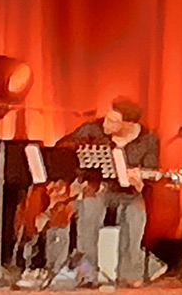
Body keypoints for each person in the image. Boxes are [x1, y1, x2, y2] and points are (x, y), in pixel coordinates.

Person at [57, 97, 159, 285]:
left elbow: (150, 172)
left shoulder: (147, 139)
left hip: (128, 193)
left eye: (113, 121)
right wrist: (80, 173)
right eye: (107, 118)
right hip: (98, 188)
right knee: (89, 207)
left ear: (128, 124)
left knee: (136, 213)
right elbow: (63, 146)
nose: (106, 123)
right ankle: (86, 273)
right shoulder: (93, 130)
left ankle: (129, 274)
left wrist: (138, 180)